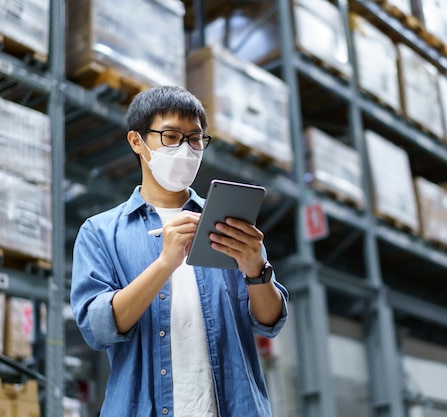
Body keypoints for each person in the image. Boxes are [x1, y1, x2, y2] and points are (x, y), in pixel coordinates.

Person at [70, 85, 289, 417]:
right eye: (171, 137)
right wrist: (165, 263)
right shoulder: (101, 233)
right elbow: (98, 328)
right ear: (136, 141)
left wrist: (256, 268)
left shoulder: (227, 223)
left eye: (195, 139)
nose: (186, 149)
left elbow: (270, 321)